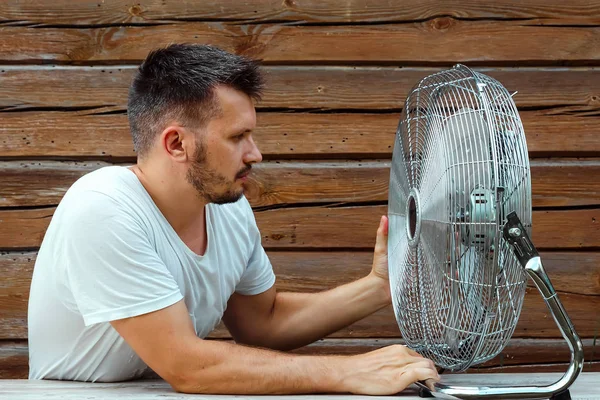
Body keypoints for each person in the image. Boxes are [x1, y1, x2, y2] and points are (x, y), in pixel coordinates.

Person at [27, 43, 439, 395]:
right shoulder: (102, 207)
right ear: (176, 143)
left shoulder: (228, 207)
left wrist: (380, 286)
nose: (255, 154)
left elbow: (264, 322)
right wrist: (348, 371)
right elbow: (186, 365)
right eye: (237, 137)